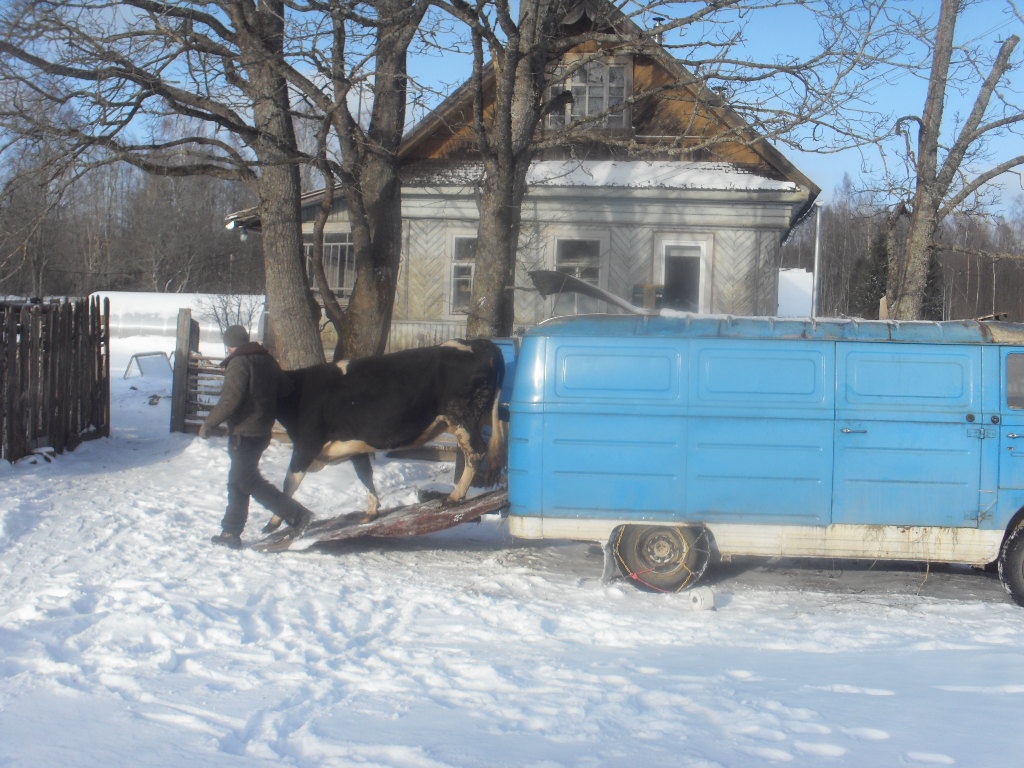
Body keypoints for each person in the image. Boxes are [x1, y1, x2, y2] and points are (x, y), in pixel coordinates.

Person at [199, 325, 313, 549]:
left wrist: (209, 423)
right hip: (261, 432)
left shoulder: (239, 363)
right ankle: (230, 532)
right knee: (238, 481)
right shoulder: (266, 360)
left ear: (230, 345)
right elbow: (286, 389)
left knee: (247, 481)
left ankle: (298, 515)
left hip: (244, 432)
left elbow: (230, 399)